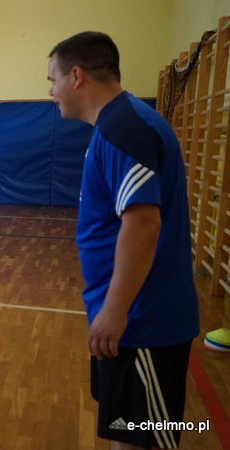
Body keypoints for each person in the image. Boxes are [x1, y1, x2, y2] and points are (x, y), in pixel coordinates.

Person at [47, 31, 199, 449]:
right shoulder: (118, 125)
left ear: (76, 76)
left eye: (52, 80)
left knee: (144, 438)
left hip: (143, 323)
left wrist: (115, 311)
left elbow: (143, 223)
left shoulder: (123, 128)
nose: (50, 92)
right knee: (125, 433)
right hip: (129, 321)